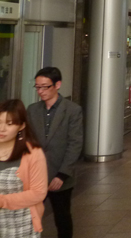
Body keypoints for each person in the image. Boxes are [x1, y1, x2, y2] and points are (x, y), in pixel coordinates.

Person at [27, 67, 83, 238]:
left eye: (45, 87)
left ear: (57, 85)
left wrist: (62, 174)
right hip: (35, 175)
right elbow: (27, 140)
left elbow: (75, 144)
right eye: (37, 87)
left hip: (60, 174)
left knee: (62, 216)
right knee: (30, 215)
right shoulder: (32, 109)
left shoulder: (72, 110)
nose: (41, 91)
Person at [0, 99, 49, 238]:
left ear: (21, 126)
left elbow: (38, 193)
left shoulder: (33, 153)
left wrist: (2, 201)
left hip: (21, 224)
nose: (2, 129)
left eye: (9, 124)